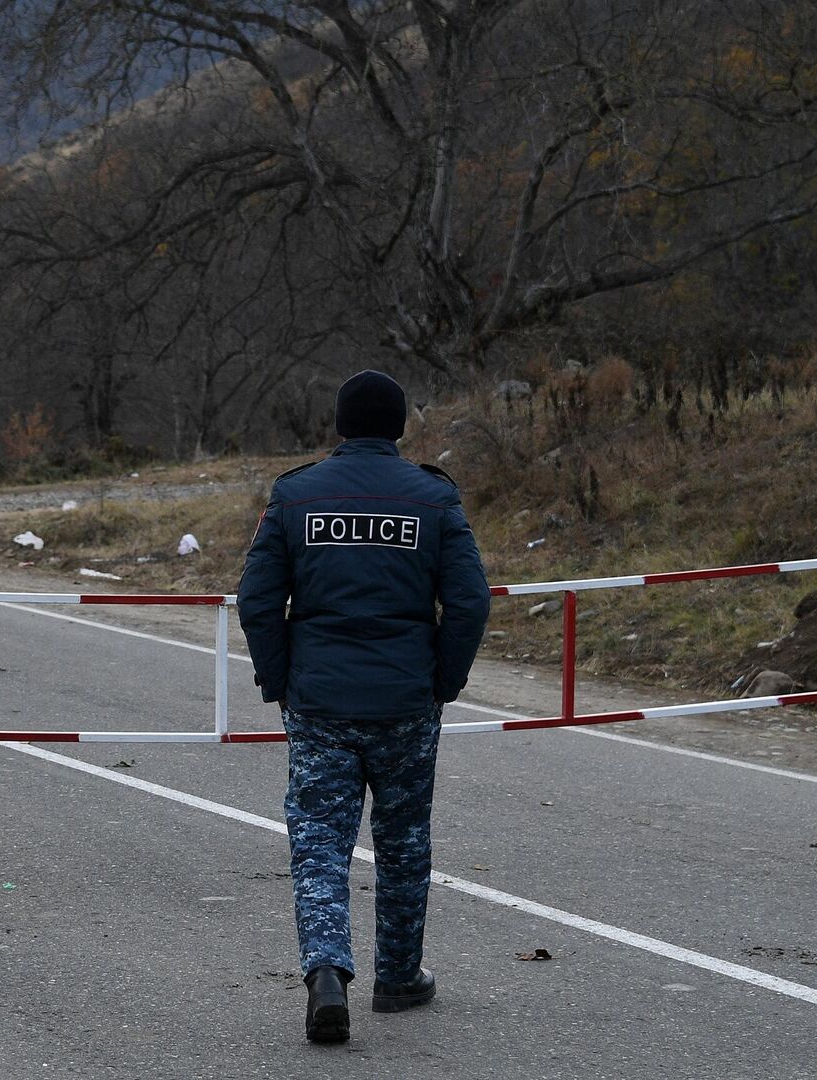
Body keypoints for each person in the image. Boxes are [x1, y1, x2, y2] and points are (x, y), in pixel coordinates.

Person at [237, 369, 491, 1044]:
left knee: (320, 840)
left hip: (320, 700)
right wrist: (445, 680)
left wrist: (280, 680)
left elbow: (257, 600)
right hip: (407, 700)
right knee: (403, 841)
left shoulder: (296, 495)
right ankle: (400, 977)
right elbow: (469, 600)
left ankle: (326, 971)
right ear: (401, 427)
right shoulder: (434, 499)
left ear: (340, 426)